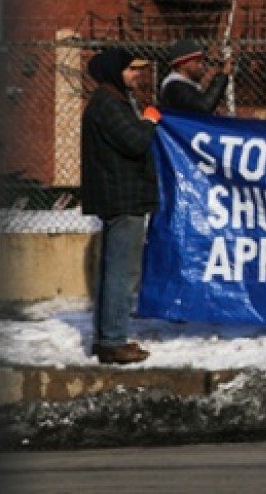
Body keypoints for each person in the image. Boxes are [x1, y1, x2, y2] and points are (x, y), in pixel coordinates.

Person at [80, 48, 161, 365]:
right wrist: (149, 122)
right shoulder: (109, 106)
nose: (136, 75)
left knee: (113, 271)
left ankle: (107, 338)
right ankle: (113, 341)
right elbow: (135, 142)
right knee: (121, 273)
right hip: (122, 196)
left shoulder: (111, 102)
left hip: (119, 194)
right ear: (115, 72)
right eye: (130, 70)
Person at [158, 38, 232, 114]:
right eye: (197, 61)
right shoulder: (174, 87)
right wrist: (223, 75)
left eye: (202, 61)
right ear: (182, 64)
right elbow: (204, 107)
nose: (201, 65)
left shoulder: (186, 85)